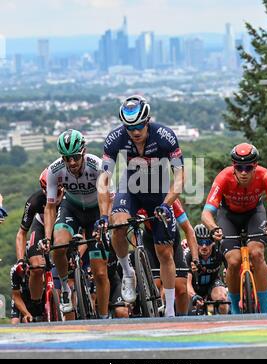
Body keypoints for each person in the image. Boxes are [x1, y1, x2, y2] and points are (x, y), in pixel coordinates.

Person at [98, 95, 185, 317]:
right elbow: (104, 180)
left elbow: (180, 178)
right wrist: (103, 216)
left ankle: (171, 310)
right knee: (117, 225)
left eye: (139, 126)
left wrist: (167, 204)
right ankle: (128, 271)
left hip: (159, 189)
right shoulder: (114, 139)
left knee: (164, 252)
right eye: (130, 127)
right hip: (131, 186)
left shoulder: (165, 136)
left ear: (147, 121)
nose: (135, 132)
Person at [201, 143, 267, 314]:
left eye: (248, 168)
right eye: (239, 167)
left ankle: (265, 309)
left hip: (254, 214)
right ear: (234, 167)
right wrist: (214, 228)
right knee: (233, 261)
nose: (243, 172)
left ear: (255, 166)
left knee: (257, 254)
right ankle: (235, 311)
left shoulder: (266, 176)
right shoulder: (223, 178)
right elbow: (206, 213)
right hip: (228, 216)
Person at [40, 129, 113, 318]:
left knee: (100, 273)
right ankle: (65, 288)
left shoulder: (97, 165)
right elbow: (49, 207)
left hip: (97, 209)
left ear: (84, 151)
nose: (71, 162)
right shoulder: (54, 170)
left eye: (75, 157)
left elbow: (107, 198)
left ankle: (104, 318)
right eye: (67, 158)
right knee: (58, 246)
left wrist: (104, 220)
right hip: (71, 208)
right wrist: (47, 238)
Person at [15, 168, 64, 320]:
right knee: (36, 267)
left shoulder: (71, 197)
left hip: (63, 228)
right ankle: (36, 305)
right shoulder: (34, 201)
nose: (53, 196)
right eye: (48, 190)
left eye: (57, 191)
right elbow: (21, 234)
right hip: (41, 228)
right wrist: (21, 260)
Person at [138, 199, 198, 316]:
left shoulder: (171, 200)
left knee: (181, 287)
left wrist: (195, 258)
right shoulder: (140, 197)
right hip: (150, 240)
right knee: (156, 284)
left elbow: (188, 230)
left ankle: (181, 318)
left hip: (171, 239)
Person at [186, 224, 229, 315]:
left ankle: (225, 324)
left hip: (212, 284)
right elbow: (187, 284)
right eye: (200, 242)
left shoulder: (219, 251)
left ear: (213, 242)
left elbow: (231, 270)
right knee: (189, 311)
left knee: (222, 300)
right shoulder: (189, 255)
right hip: (193, 287)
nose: (204, 246)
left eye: (208, 241)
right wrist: (194, 296)